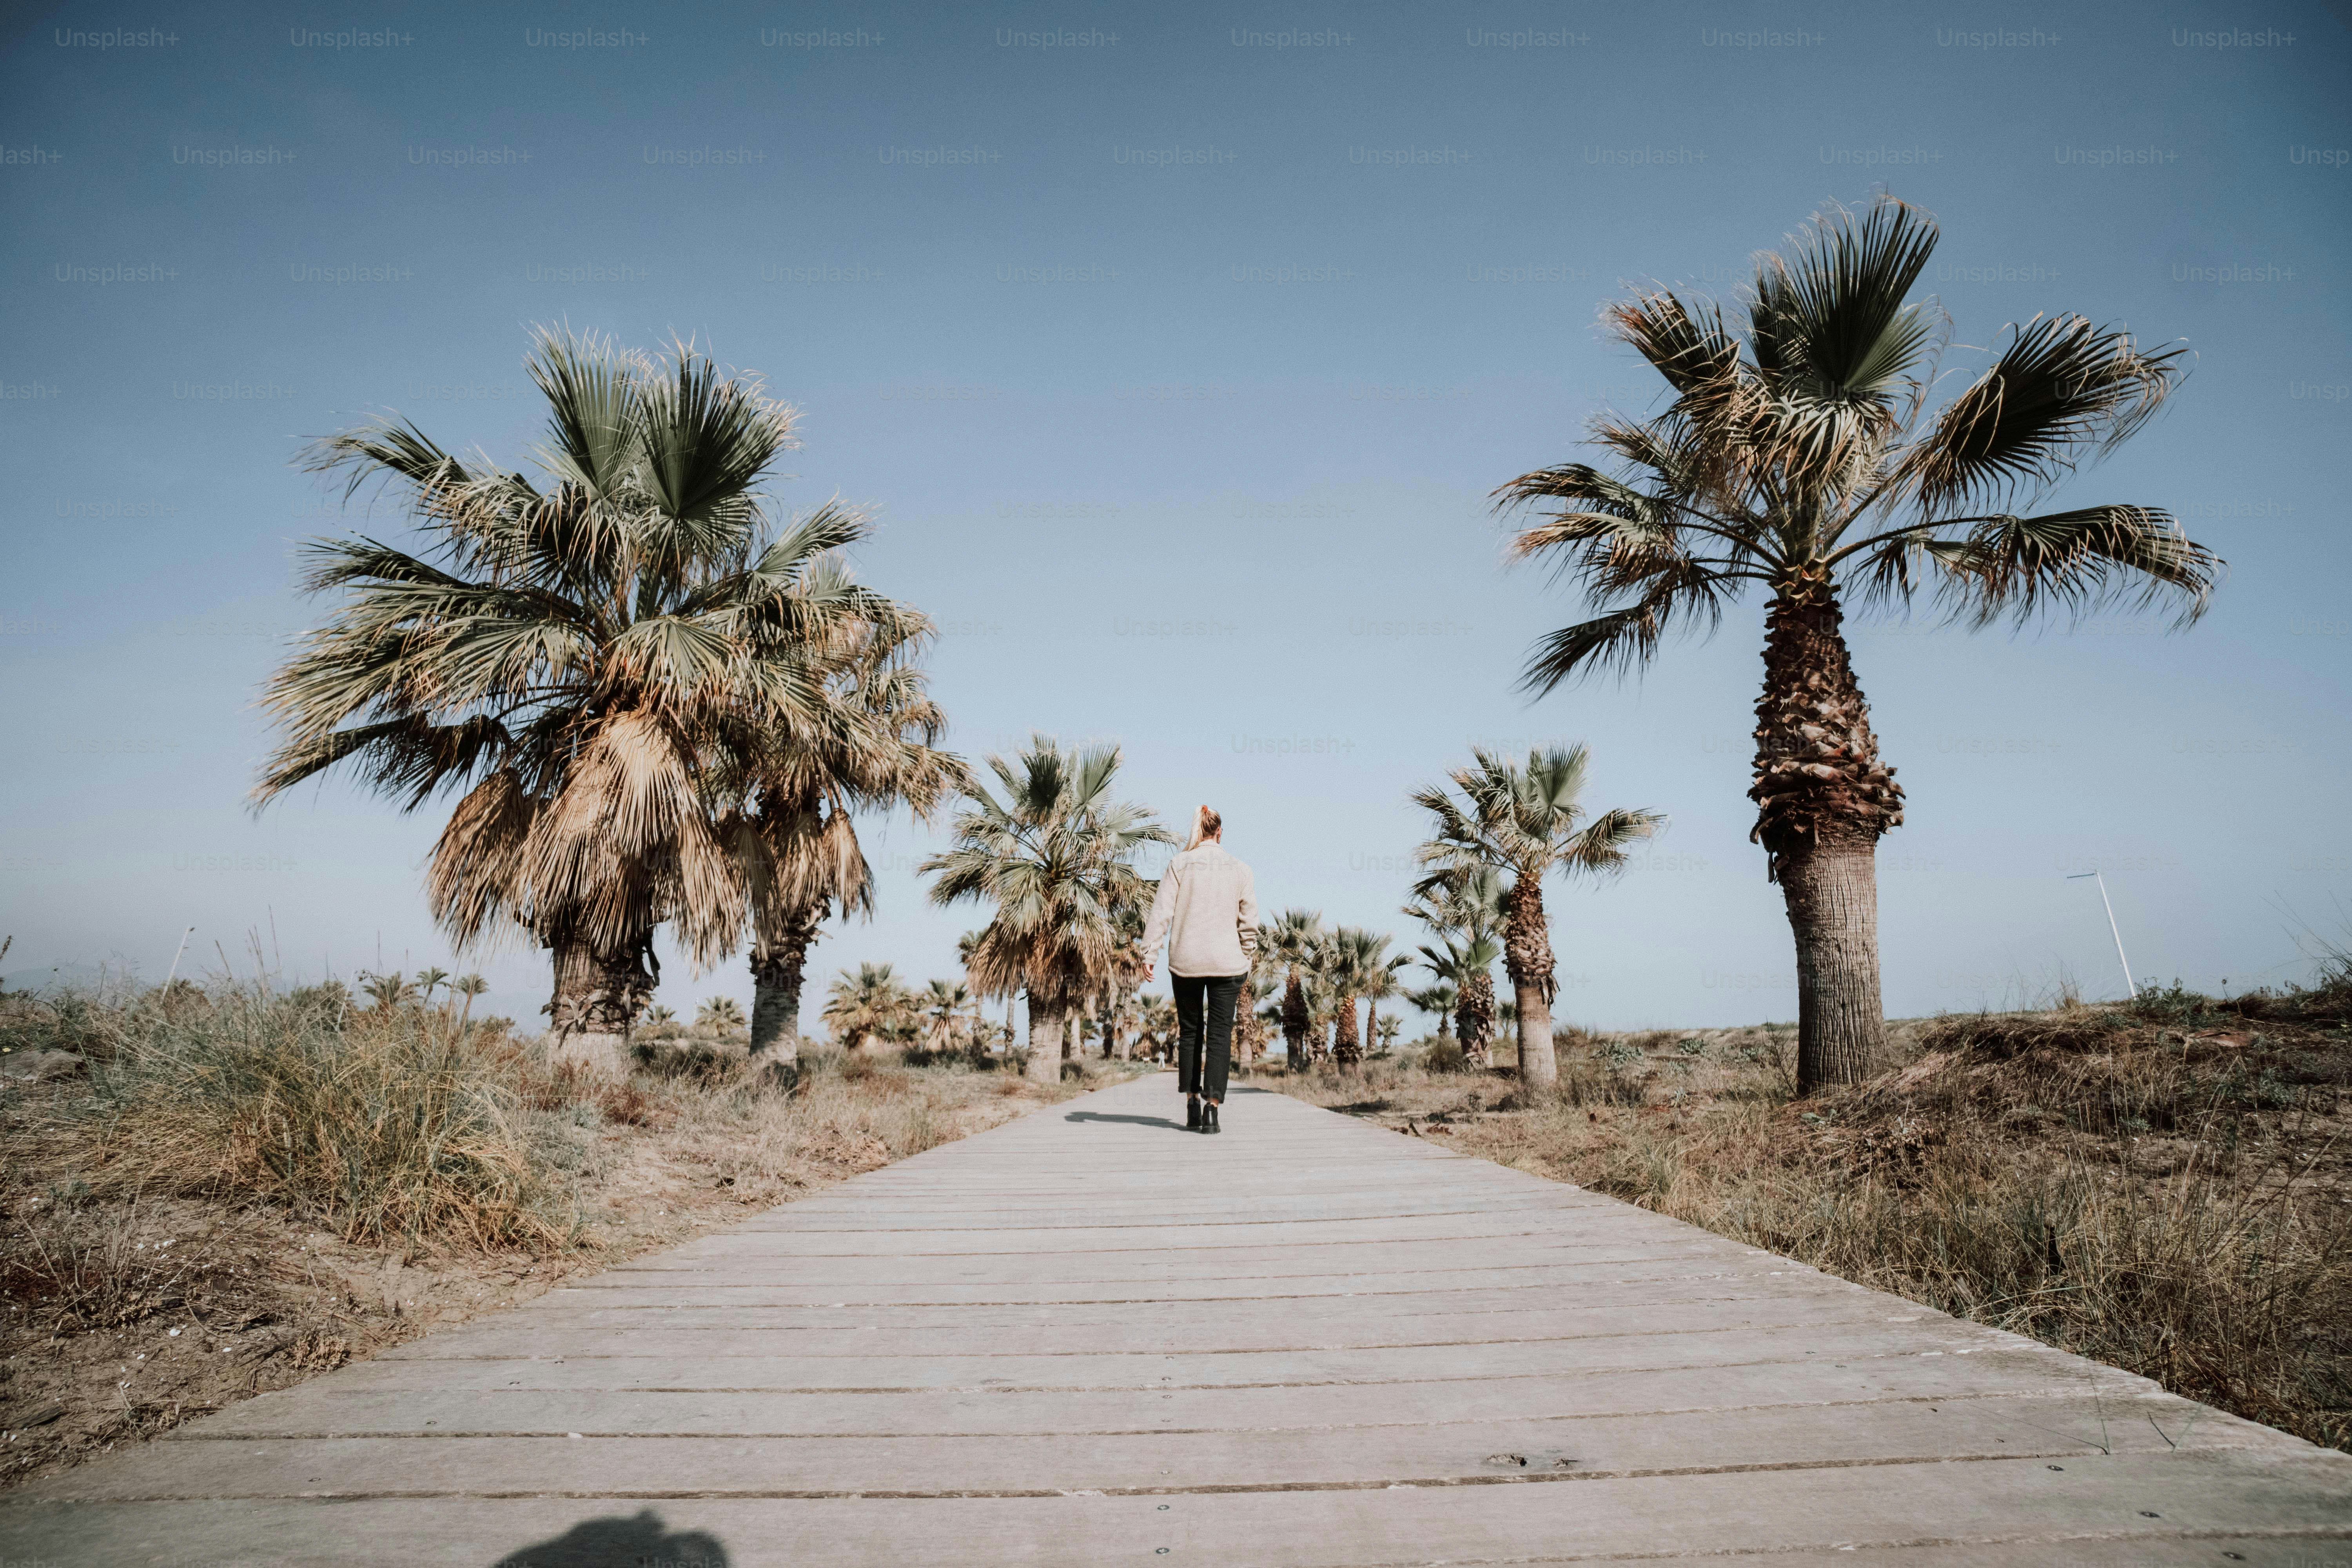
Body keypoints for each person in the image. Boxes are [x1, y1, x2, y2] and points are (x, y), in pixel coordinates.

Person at [1138, 805, 1259, 1134]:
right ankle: (1211, 1110)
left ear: (1197, 831)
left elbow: (1161, 912)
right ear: (1220, 832)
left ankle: (1191, 1103)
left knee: (1190, 1032)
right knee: (1220, 1035)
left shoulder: (1180, 865)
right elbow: (1249, 924)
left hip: (1186, 963)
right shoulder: (1240, 869)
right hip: (1227, 964)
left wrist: (1149, 953)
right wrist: (1245, 956)